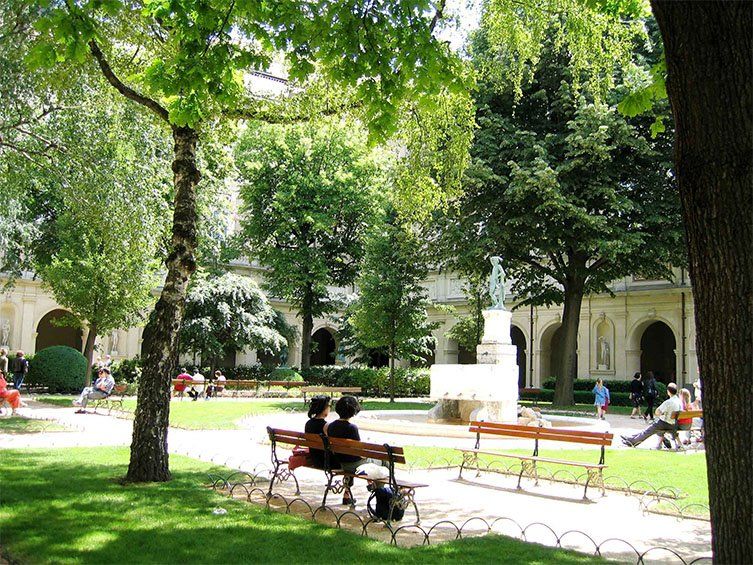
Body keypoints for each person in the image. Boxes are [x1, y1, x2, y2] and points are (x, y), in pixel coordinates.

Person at [325, 395, 386, 505]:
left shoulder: (330, 426)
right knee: (383, 460)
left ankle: (347, 494)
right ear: (353, 411)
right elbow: (360, 453)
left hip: (342, 463)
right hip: (355, 465)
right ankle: (380, 494)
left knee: (352, 457)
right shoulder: (352, 428)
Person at [621, 382, 683, 448]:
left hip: (665, 423)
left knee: (648, 431)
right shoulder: (679, 401)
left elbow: (657, 412)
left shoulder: (668, 402)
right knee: (649, 428)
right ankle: (631, 438)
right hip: (674, 425)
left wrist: (662, 414)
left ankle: (632, 442)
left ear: (668, 391)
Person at [304, 396, 331, 468]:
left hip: (315, 459)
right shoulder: (326, 426)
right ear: (324, 409)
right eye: (329, 406)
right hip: (327, 461)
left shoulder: (308, 423)